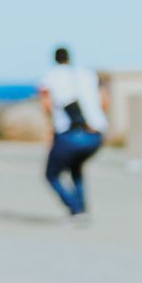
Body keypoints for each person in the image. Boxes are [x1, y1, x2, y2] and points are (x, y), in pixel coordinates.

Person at [37, 45, 108, 220]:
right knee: (75, 168)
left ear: (55, 59)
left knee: (51, 174)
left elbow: (47, 103)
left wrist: (51, 128)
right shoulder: (87, 73)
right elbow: (105, 100)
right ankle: (82, 209)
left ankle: (75, 209)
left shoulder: (51, 76)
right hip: (96, 134)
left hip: (70, 133)